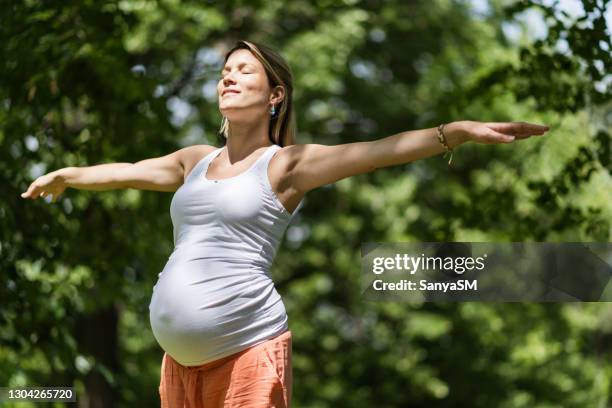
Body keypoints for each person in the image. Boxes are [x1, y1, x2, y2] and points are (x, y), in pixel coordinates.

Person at [20, 39, 550, 407]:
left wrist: (452, 132)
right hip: (177, 364)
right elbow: (133, 171)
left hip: (247, 351)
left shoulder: (286, 165)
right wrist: (68, 174)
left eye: (244, 69)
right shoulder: (194, 160)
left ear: (275, 95)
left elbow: (376, 151)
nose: (228, 75)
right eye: (225, 70)